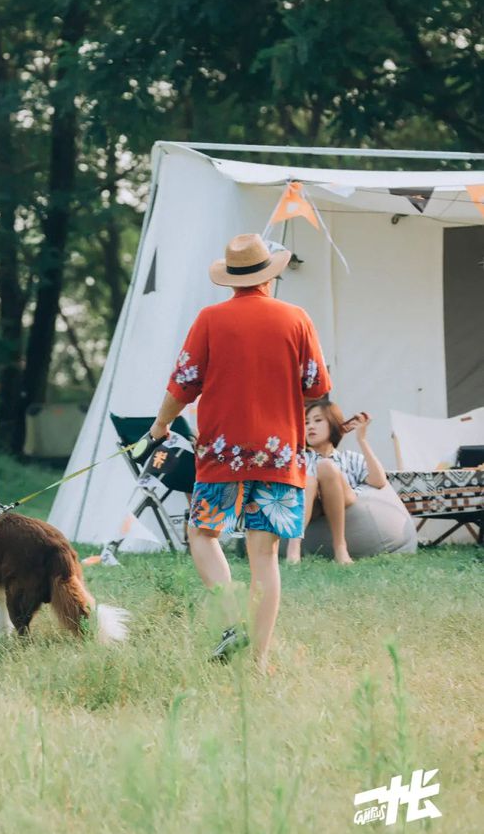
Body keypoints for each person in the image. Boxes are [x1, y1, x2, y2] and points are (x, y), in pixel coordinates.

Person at [148, 233, 331, 673]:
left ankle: (230, 619)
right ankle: (260, 662)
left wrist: (160, 424)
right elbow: (317, 387)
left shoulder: (210, 319)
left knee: (203, 533)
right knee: (264, 556)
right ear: (270, 274)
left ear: (230, 279)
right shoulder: (296, 318)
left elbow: (184, 383)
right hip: (279, 452)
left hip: (221, 452)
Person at [286, 401, 387, 566]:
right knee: (309, 481)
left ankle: (340, 546)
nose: (310, 426)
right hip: (312, 504)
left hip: (343, 500)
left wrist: (361, 439)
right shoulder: (299, 460)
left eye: (318, 420)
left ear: (333, 424)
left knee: (326, 467)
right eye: (306, 423)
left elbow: (379, 481)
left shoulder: (349, 458)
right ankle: (293, 547)